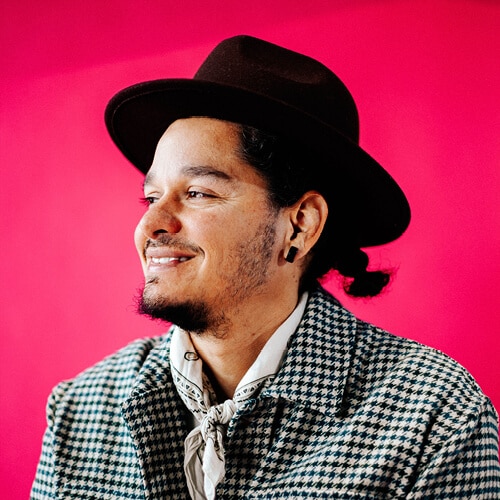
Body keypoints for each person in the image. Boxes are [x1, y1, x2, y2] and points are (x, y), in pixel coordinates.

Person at [31, 35, 499, 499]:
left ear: (300, 225)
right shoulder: (80, 412)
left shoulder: (433, 417)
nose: (150, 225)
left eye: (198, 193)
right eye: (151, 197)